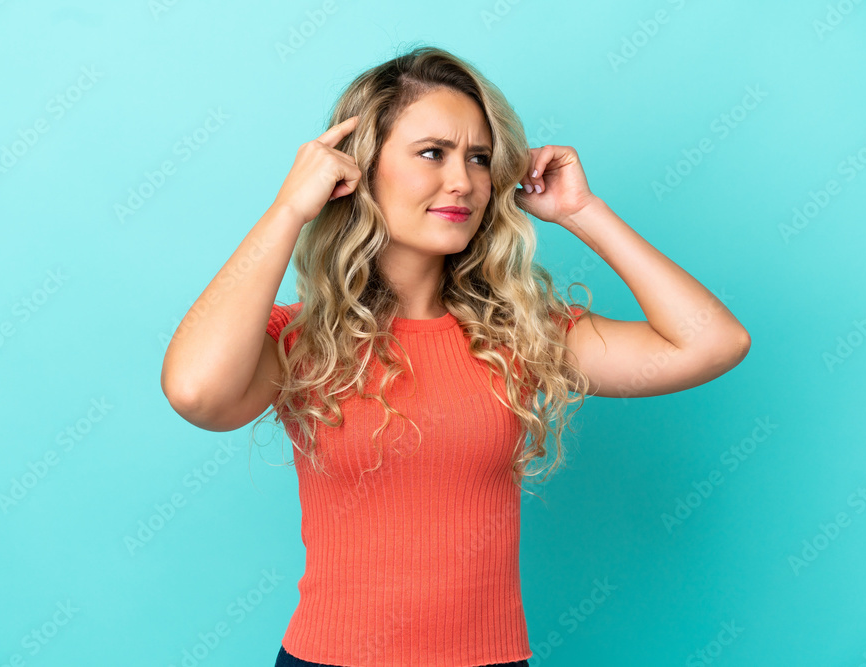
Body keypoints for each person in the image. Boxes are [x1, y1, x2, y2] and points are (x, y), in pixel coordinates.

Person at [161, 45, 750, 667]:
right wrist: (289, 210)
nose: (463, 181)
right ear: (359, 169)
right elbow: (197, 393)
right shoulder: (300, 340)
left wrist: (582, 212)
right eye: (431, 153)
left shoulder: (522, 333)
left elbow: (712, 343)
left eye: (478, 158)